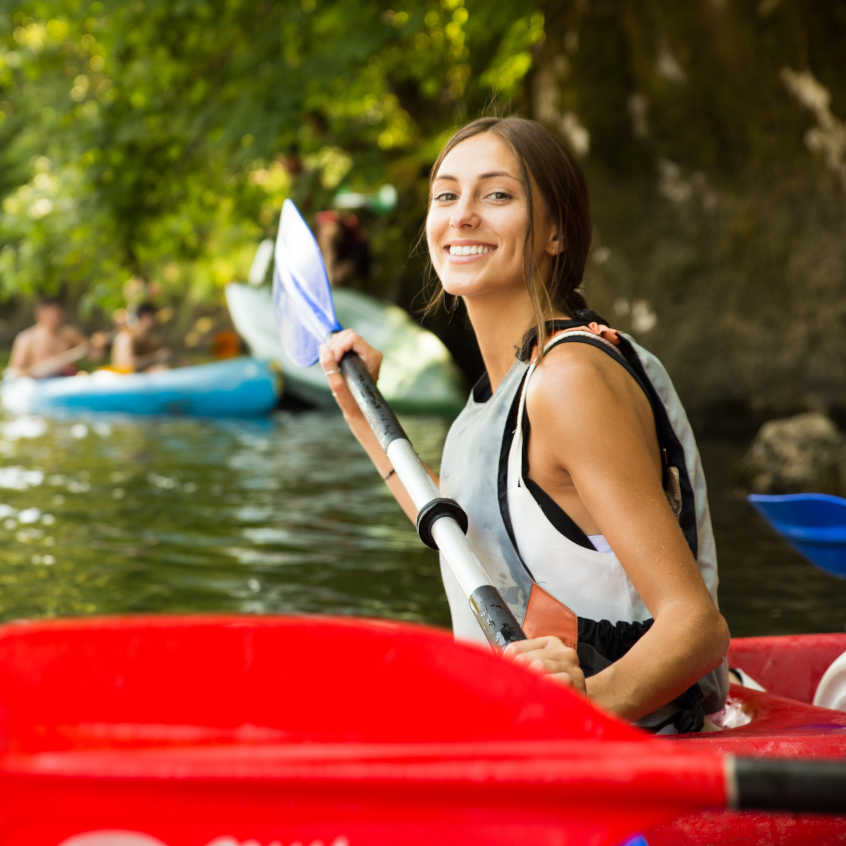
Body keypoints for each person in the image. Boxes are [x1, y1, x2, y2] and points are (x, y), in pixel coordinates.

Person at [319, 116, 729, 733]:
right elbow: (469, 541)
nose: (462, 215)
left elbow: (695, 628)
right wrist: (361, 413)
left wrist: (579, 707)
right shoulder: (496, 396)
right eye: (447, 195)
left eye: (498, 195)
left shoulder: (569, 380)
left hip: (628, 753)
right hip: (523, 738)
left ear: (556, 233)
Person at [7, 296, 106, 378]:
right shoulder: (27, 338)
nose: (56, 318)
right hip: (40, 382)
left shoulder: (70, 334)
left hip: (65, 380)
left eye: (58, 314)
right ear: (40, 314)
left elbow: (96, 357)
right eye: (52, 314)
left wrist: (99, 345)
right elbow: (15, 371)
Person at [111, 302, 171, 373]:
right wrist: (155, 358)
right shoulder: (125, 337)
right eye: (156, 317)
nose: (159, 322)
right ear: (145, 317)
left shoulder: (151, 340)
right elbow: (125, 366)